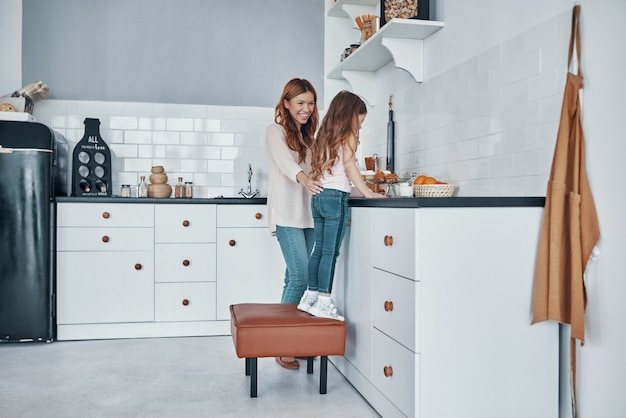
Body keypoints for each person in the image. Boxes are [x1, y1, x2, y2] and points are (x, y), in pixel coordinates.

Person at [298, 90, 386, 321]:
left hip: (318, 198)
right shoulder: (349, 134)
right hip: (335, 198)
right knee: (330, 252)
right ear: (351, 115)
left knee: (318, 250)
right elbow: (349, 166)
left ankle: (311, 296)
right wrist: (368, 193)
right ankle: (325, 302)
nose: (361, 126)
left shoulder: (324, 134)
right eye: (361, 120)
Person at [266, 78, 323, 369]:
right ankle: (282, 343)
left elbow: (321, 170)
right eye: (300, 102)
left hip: (308, 216)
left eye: (310, 103)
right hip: (287, 215)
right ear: (286, 103)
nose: (306, 108)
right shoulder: (275, 131)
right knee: (300, 278)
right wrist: (304, 178)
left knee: (294, 278)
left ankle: (293, 341)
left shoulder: (310, 139)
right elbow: (287, 166)